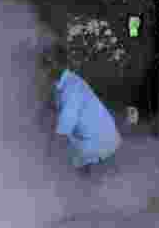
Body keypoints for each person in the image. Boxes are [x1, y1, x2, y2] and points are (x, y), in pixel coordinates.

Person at [42, 42, 122, 175]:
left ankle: (84, 183)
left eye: (47, 63)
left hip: (100, 147)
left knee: (62, 164)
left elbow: (61, 134)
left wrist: (45, 163)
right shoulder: (65, 83)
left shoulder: (70, 89)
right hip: (99, 141)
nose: (44, 69)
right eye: (44, 63)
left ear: (58, 65)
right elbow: (54, 110)